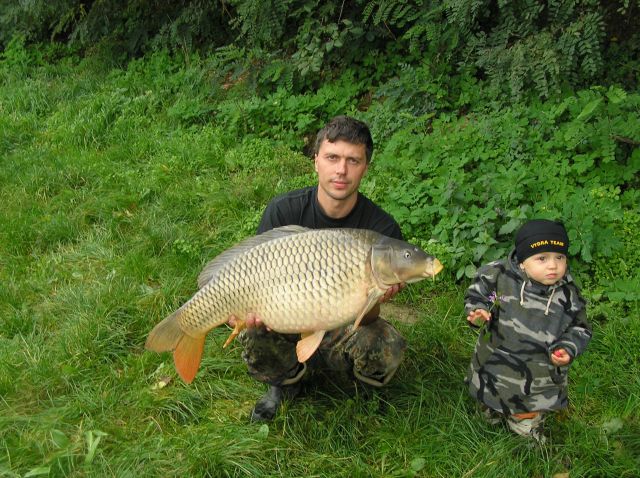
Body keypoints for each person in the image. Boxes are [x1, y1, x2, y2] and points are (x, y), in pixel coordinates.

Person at [230, 115, 407, 422]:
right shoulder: (284, 210)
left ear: (366, 166)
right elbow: (251, 275)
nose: (342, 170)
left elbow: (370, 317)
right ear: (316, 162)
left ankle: (360, 390)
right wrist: (241, 311)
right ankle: (283, 385)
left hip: (345, 322)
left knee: (385, 342)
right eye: (332, 157)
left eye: (353, 160)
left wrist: (377, 298)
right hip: (285, 316)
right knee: (255, 330)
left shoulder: (382, 230)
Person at [464, 219, 592, 442]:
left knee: (527, 409)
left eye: (559, 257)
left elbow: (579, 328)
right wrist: (478, 309)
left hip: (537, 371)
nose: (553, 265)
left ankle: (525, 427)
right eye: (542, 258)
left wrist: (567, 348)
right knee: (489, 398)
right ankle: (492, 414)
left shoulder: (568, 294)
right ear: (522, 261)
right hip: (495, 359)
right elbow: (480, 291)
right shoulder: (500, 275)